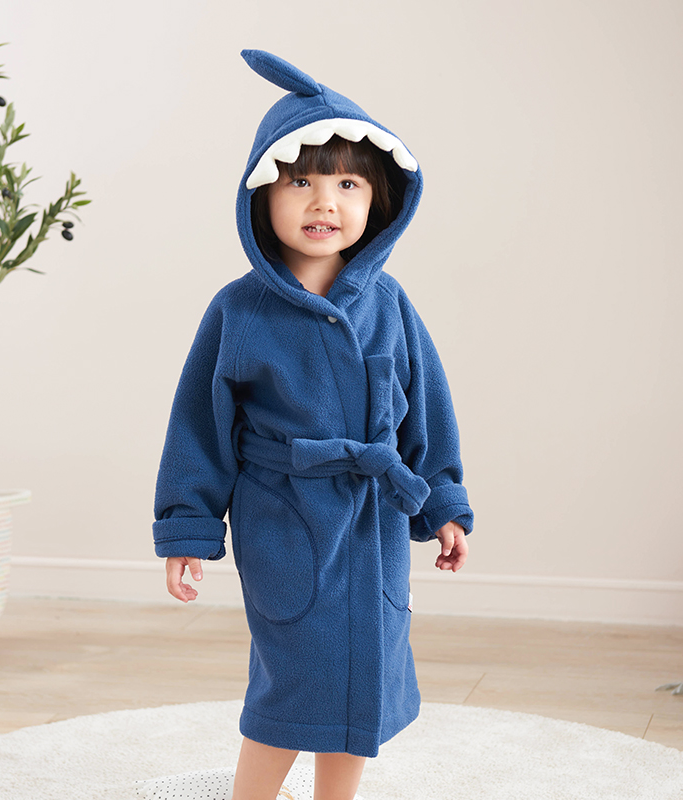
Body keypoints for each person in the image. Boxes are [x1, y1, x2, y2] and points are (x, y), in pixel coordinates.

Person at [153, 49, 474, 800]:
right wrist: (187, 528)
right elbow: (198, 426)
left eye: (347, 184)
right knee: (294, 676)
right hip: (285, 519)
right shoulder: (239, 310)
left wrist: (443, 505)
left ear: (378, 200)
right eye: (302, 181)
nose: (324, 201)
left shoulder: (390, 304)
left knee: (368, 674)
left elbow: (427, 413)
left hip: (375, 520)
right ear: (262, 194)